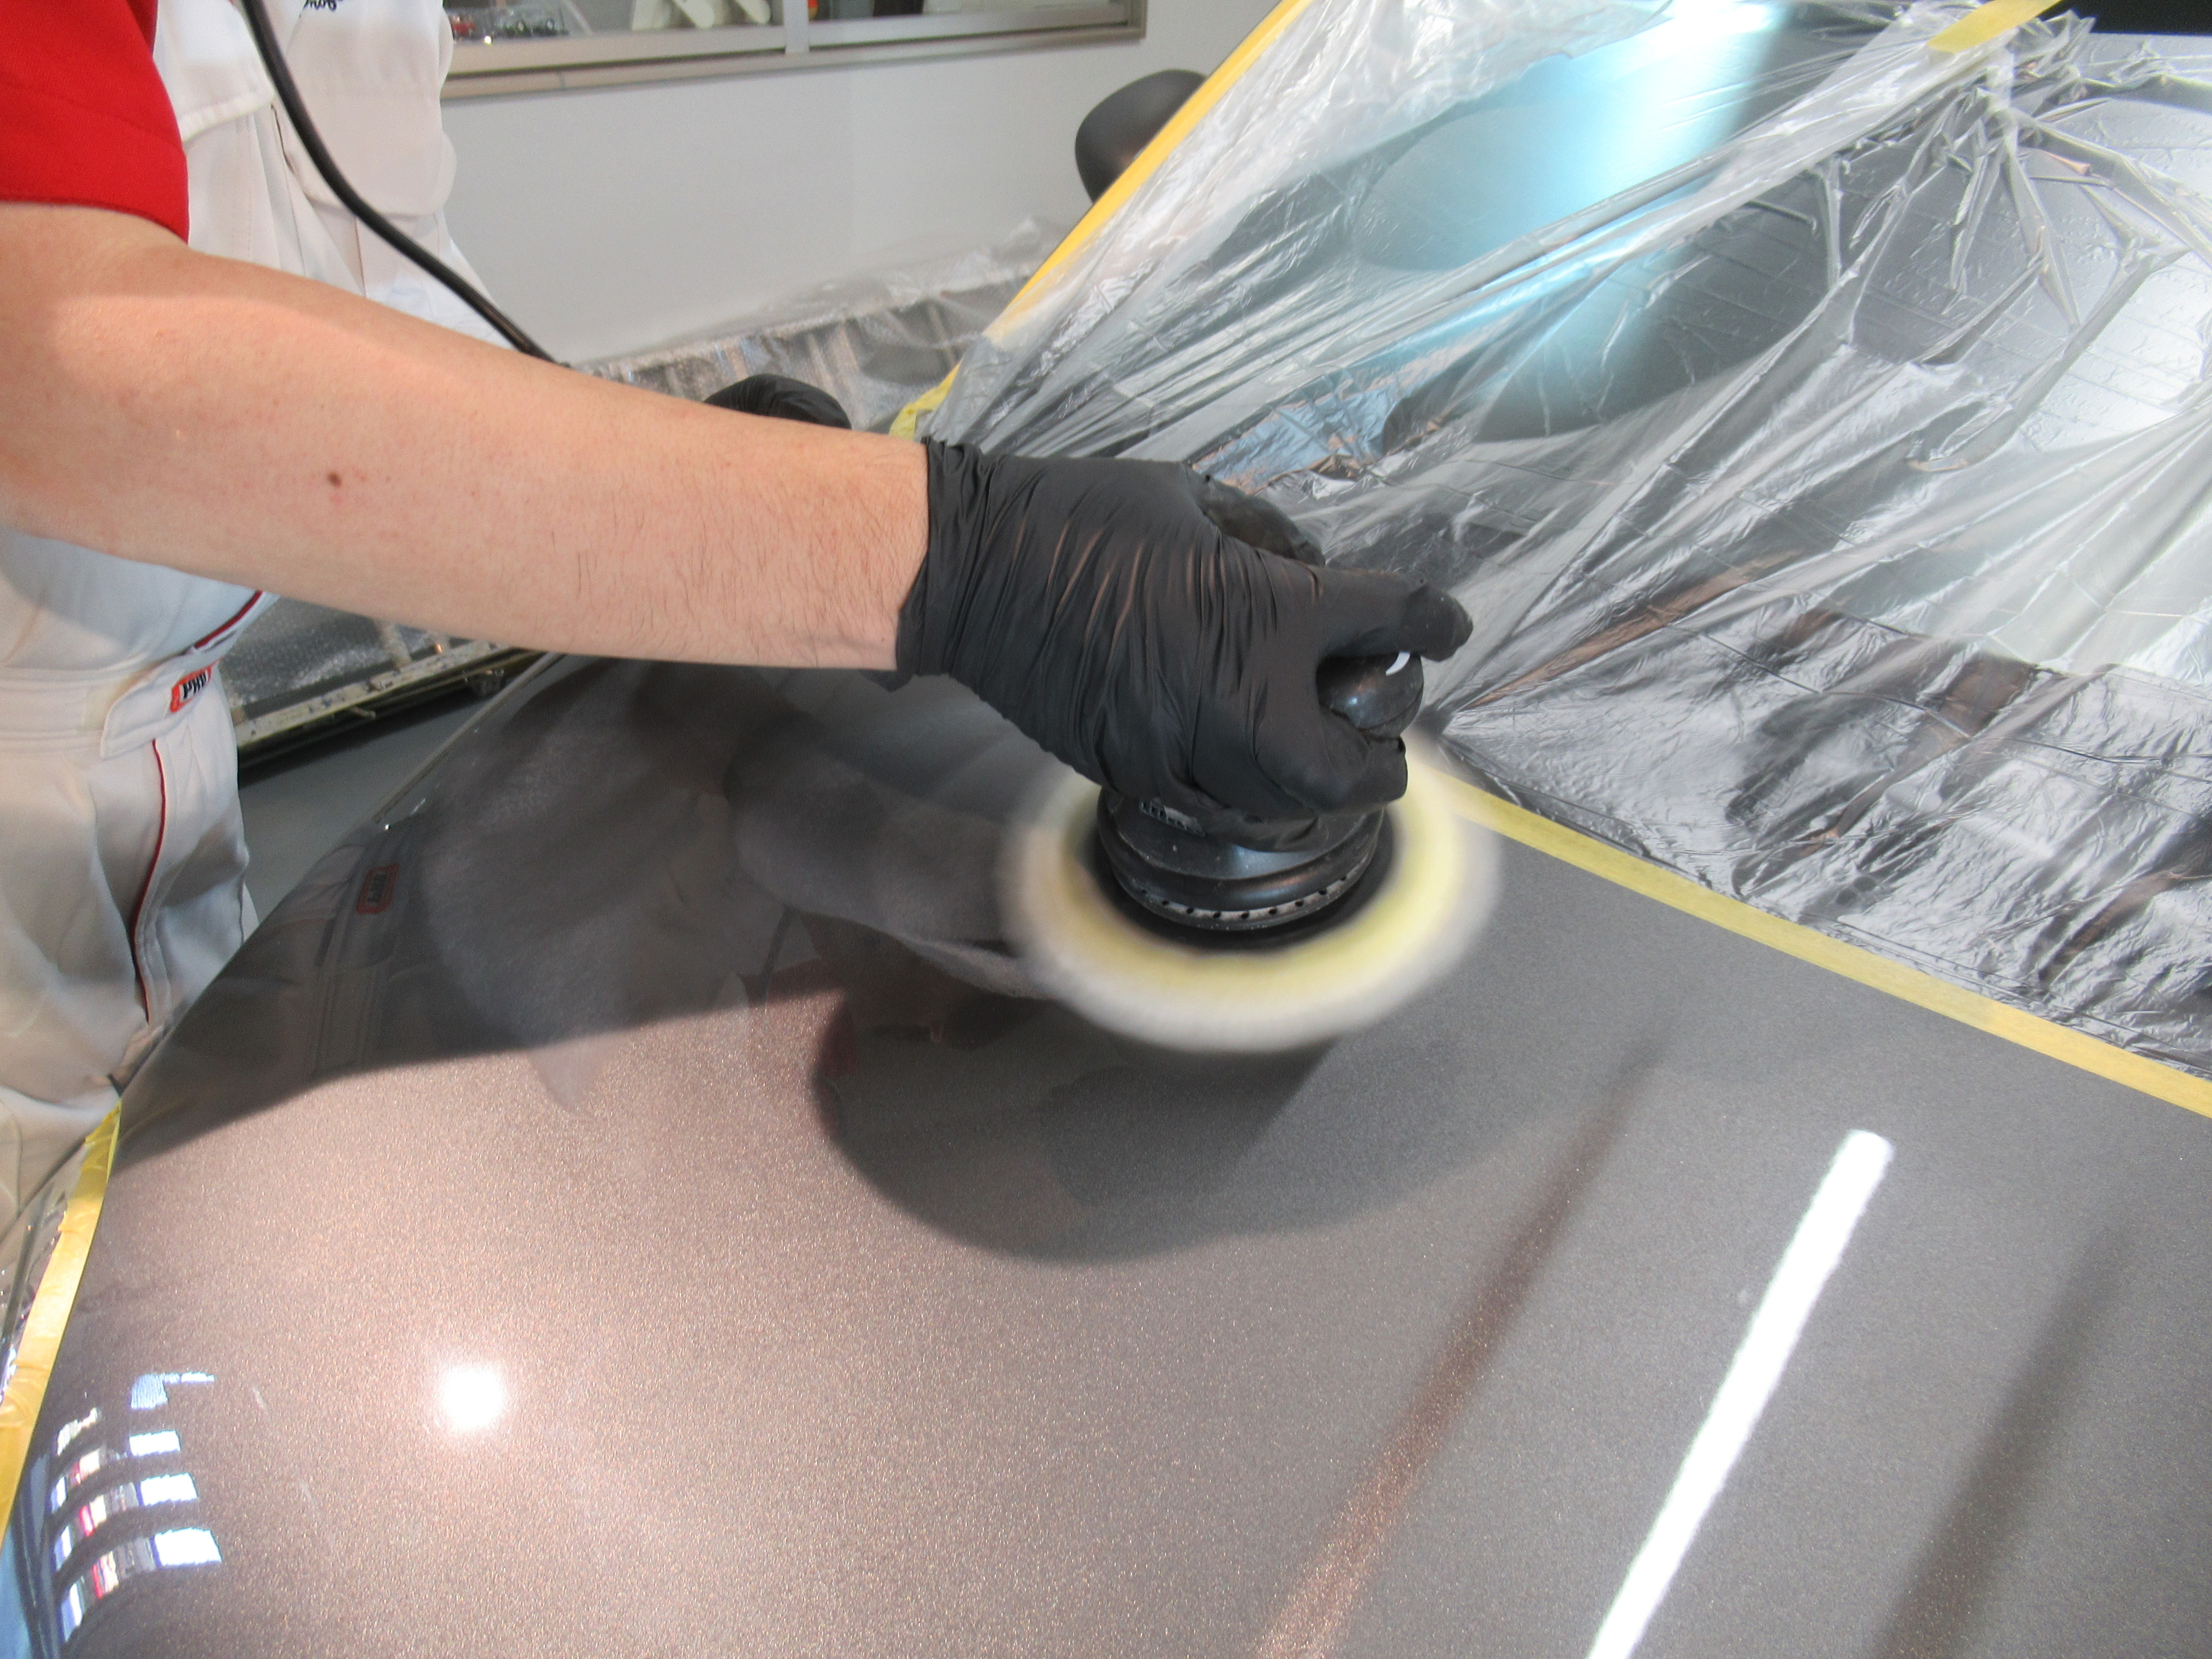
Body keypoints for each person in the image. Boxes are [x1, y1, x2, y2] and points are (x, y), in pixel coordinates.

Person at [0, 0, 1470, 1216]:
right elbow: (64, 363)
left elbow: (345, 336)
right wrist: (961, 561)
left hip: (148, 823)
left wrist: (739, 496)